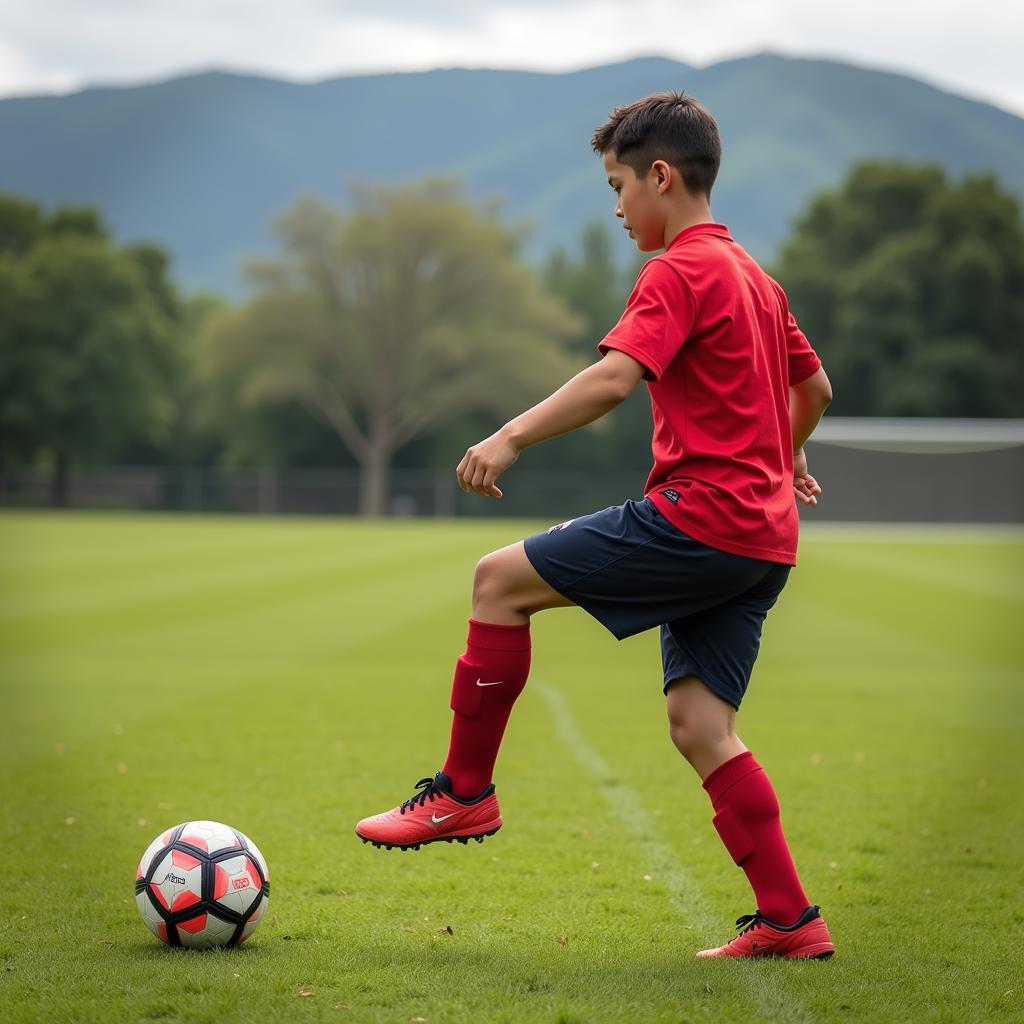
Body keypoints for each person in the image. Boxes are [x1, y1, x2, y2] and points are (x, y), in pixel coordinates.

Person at [355, 91, 835, 961]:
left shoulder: (681, 269)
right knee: (701, 726)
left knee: (497, 582)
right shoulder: (758, 280)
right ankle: (791, 923)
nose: (616, 208)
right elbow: (815, 390)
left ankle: (464, 791)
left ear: (660, 175)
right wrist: (786, 455)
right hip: (763, 543)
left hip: (704, 519)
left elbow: (615, 379)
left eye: (619, 186)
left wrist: (507, 436)